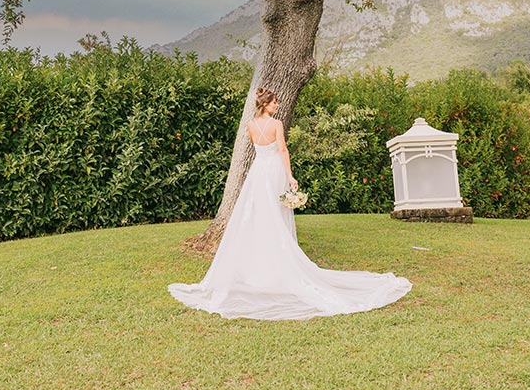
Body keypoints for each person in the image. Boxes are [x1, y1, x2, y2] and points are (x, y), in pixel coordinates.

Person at [168, 86, 412, 320]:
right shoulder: (276, 124)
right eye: (275, 103)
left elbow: (257, 150)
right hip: (273, 171)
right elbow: (282, 150)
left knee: (258, 217)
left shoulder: (251, 126)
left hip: (257, 173)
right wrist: (290, 176)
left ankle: (260, 268)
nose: (277, 106)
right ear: (266, 105)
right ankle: (277, 266)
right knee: (276, 216)